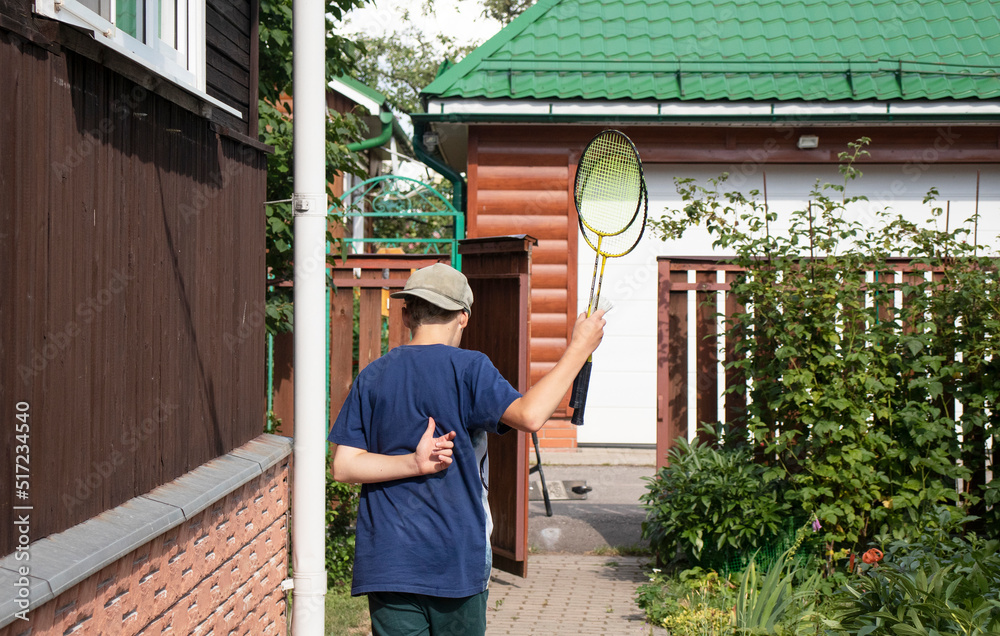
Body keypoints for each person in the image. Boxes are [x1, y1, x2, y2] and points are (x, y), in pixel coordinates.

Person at [328, 262, 606, 636]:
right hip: (454, 561)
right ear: (463, 317)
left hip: (387, 562)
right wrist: (579, 348)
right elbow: (531, 415)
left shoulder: (373, 375)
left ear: (408, 312)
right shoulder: (469, 368)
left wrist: (412, 463)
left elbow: (344, 467)